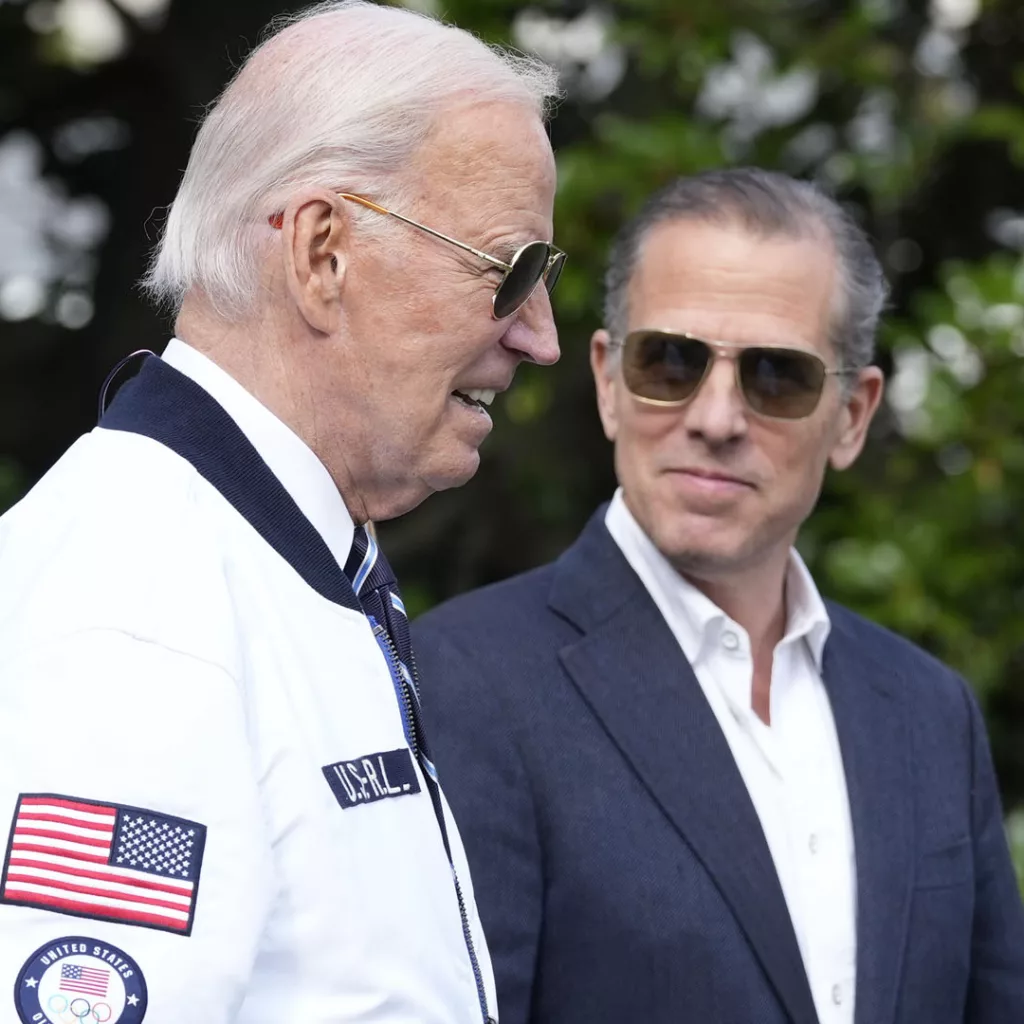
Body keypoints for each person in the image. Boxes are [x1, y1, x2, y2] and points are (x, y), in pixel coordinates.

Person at [0, 2, 563, 1021]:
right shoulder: (141, 607)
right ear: (320, 253)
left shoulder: (264, 556)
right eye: (512, 271)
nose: (541, 338)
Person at [413, 168, 1024, 1024]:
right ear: (607, 382)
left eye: (776, 377)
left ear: (852, 415)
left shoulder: (929, 710)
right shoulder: (461, 681)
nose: (717, 417)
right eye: (670, 361)